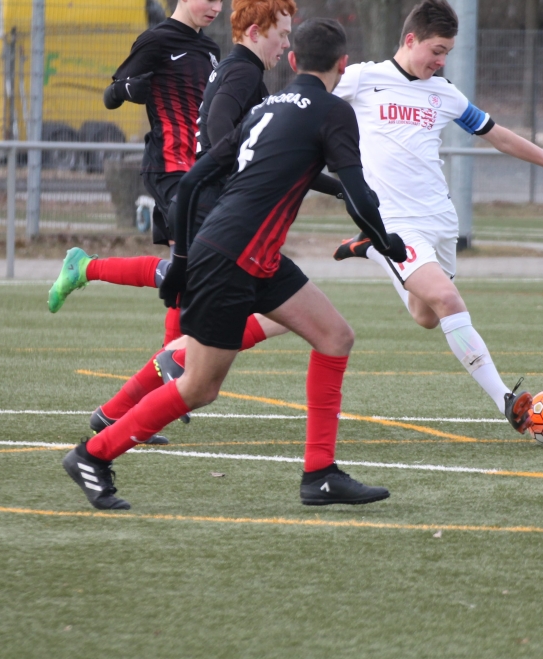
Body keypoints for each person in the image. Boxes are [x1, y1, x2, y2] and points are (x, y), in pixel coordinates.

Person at [62, 18, 407, 510]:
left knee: (335, 336)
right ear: (343, 64)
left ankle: (320, 474)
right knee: (200, 387)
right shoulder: (334, 111)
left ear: (293, 61)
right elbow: (359, 195)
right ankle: (92, 455)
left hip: (248, 254)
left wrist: (181, 259)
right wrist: (386, 242)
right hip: (230, 259)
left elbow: (194, 179)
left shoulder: (267, 107)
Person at [331, 0, 543, 434]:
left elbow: (499, 136)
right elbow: (306, 102)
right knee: (449, 301)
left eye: (447, 54)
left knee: (427, 316)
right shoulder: (363, 78)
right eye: (436, 50)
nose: (440, 61)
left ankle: (373, 250)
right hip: (394, 219)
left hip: (439, 220)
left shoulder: (445, 93)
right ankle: (506, 401)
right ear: (410, 39)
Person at [48, 0, 222, 344]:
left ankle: (85, 268)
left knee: (187, 271)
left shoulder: (211, 49)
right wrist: (126, 90)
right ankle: (171, 361)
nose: (217, 7)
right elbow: (111, 94)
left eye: (221, 0)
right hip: (169, 167)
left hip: (203, 171)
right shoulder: (156, 40)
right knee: (195, 267)